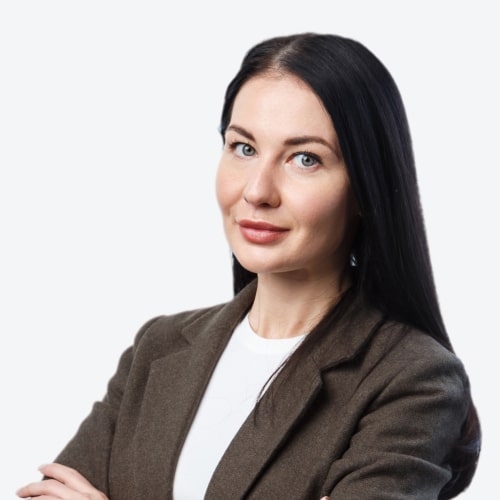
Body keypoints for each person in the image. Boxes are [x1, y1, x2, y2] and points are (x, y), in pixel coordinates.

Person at [17, 32, 481, 500]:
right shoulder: (157, 347)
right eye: (243, 148)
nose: (257, 191)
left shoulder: (412, 379)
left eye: (305, 159)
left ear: (365, 186)